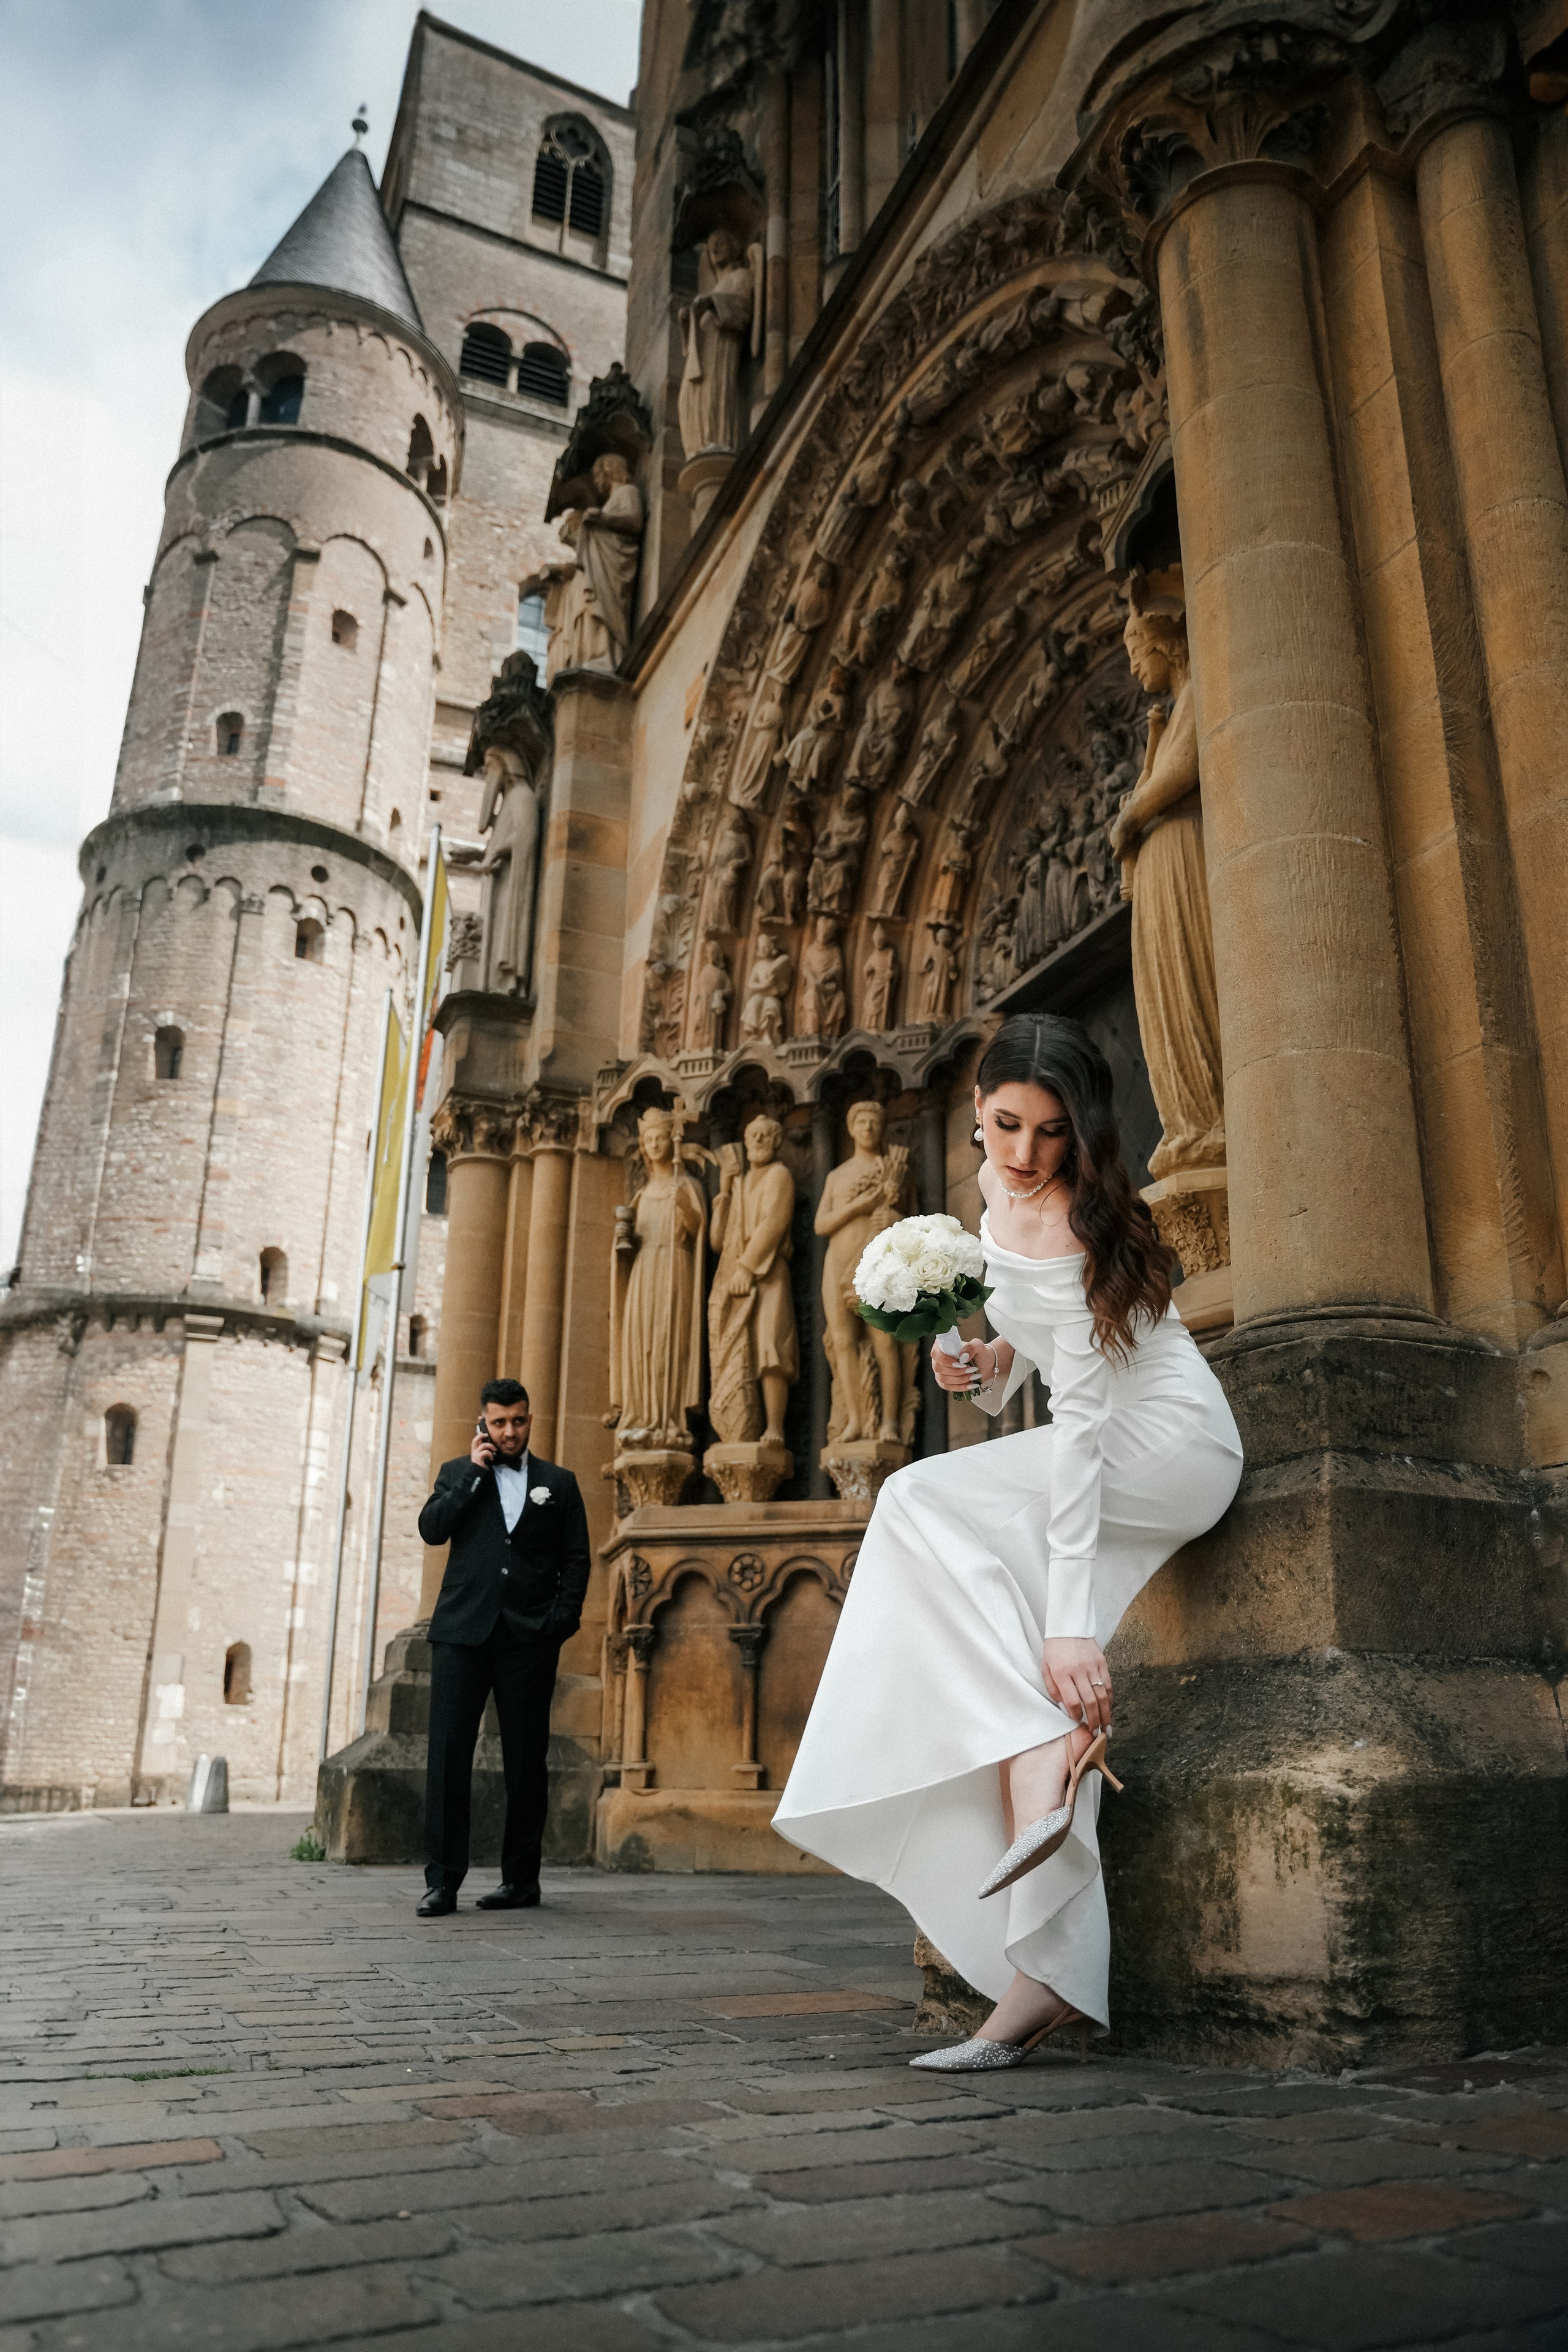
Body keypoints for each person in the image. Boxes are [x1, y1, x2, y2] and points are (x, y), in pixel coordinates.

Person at [774, 1014, 1243, 2064]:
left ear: (1080, 1132)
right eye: (1007, 1124)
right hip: (1113, 1440)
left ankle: (1045, 1741)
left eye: (1052, 1133)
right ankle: (1047, 1981)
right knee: (957, 1562)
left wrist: (1074, 1628)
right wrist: (987, 1363)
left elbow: (1081, 1429)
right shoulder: (996, 1191)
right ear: (979, 1109)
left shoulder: (1070, 1221)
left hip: (1169, 1448)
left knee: (919, 1507)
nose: (1026, 1153)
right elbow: (1042, 1354)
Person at [415, 1378, 590, 1917]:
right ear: (483, 1424)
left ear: (530, 1419)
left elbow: (576, 1558)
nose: (509, 1431)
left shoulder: (559, 1483)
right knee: (448, 1756)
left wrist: (560, 1622)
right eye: (498, 1422)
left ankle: (520, 1881)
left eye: (517, 1420)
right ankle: (443, 1883)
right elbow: (432, 1530)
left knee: (525, 1762)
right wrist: (474, 1473)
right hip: (461, 1635)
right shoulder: (457, 1473)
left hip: (528, 1640)